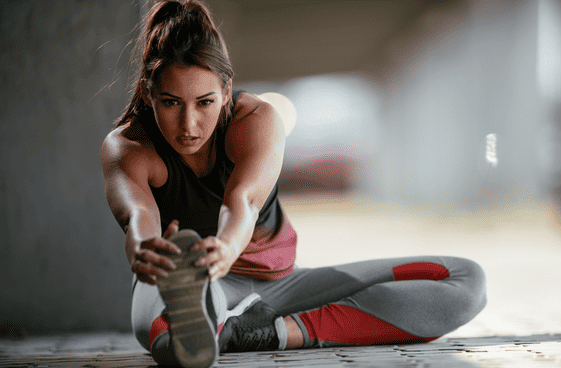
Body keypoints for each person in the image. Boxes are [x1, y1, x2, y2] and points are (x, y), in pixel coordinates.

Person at [101, 1, 487, 367]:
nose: (189, 125)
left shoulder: (255, 119)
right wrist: (143, 249)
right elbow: (138, 213)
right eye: (171, 103)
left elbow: (244, 201)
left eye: (204, 102)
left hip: (285, 284)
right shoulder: (128, 147)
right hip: (195, 282)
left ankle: (266, 332)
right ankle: (211, 319)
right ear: (150, 92)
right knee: (175, 341)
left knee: (466, 282)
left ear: (226, 88)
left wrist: (225, 248)